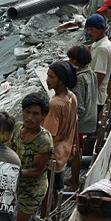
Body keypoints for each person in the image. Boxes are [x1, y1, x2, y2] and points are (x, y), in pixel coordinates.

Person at [1, 92, 53, 221]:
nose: (30, 117)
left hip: (32, 190)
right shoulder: (17, 130)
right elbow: (9, 150)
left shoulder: (43, 141)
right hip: (15, 185)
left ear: (43, 116)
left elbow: (38, 171)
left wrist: (13, 171)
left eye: (36, 114)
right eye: (27, 112)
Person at [42, 61, 79, 212]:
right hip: (64, 151)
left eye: (51, 77)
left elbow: (48, 134)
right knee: (56, 188)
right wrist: (75, 144)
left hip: (52, 155)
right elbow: (76, 123)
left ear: (61, 80)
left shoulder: (55, 104)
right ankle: (55, 213)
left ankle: (46, 218)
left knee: (46, 192)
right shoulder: (72, 97)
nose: (47, 80)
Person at [66, 45, 95, 192]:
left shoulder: (79, 78)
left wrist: (70, 122)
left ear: (75, 60)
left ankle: (74, 183)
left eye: (70, 58)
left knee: (75, 152)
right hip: (90, 117)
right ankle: (72, 178)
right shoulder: (90, 72)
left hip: (79, 122)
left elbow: (79, 106)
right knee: (77, 151)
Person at [85, 13, 111, 131]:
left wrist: (90, 95)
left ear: (101, 29)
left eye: (92, 29)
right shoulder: (102, 44)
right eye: (88, 30)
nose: (89, 33)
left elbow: (100, 74)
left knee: (91, 128)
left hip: (96, 95)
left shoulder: (102, 48)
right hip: (98, 93)